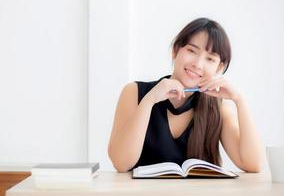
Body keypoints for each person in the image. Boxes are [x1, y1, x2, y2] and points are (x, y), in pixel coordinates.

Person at [108, 17, 263, 173]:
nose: (198, 64)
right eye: (191, 51)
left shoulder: (219, 106)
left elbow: (253, 164)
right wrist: (149, 100)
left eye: (210, 59)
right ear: (176, 50)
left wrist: (239, 100)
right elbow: (121, 163)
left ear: (219, 67)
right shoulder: (134, 92)